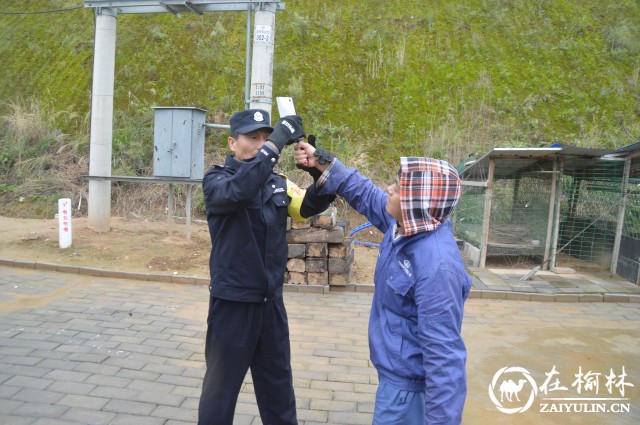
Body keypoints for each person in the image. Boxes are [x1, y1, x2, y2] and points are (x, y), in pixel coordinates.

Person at [294, 141, 472, 424]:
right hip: (394, 378)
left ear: (417, 202)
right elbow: (363, 191)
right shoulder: (402, 225)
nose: (389, 188)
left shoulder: (437, 267)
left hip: (409, 394)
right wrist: (323, 162)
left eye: (399, 188)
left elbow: (444, 358)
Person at [198, 109, 335, 425]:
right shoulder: (216, 180)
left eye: (266, 138)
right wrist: (275, 146)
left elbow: (306, 207)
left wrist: (318, 173)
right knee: (220, 393)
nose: (261, 145)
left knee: (279, 391)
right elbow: (240, 190)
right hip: (233, 305)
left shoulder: (278, 183)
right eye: (253, 138)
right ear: (233, 143)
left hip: (270, 305)